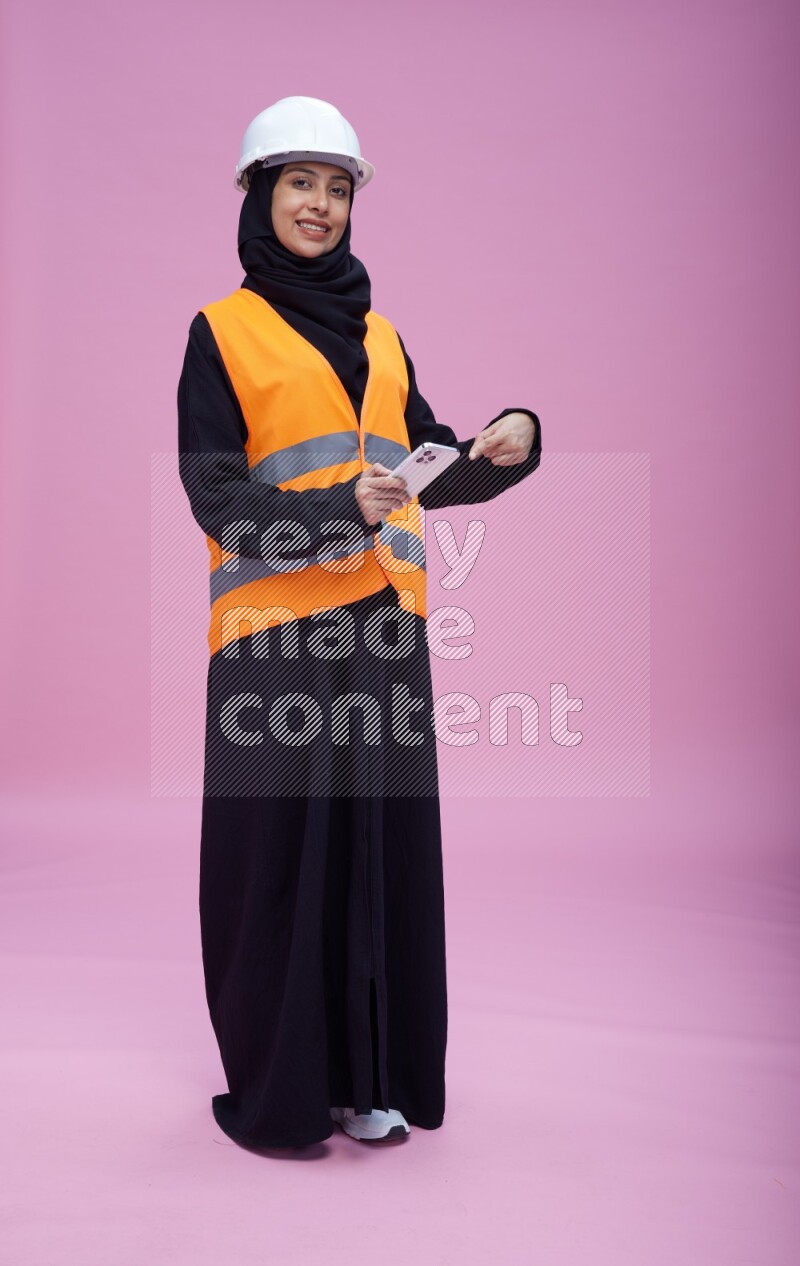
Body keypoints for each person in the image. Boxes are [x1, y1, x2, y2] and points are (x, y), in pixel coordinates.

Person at [177, 96, 542, 1148]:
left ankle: (369, 1074)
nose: (321, 205)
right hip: (273, 642)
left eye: (337, 189)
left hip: (382, 629)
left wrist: (500, 446)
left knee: (378, 856)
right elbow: (219, 501)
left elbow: (428, 461)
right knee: (278, 864)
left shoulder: (382, 334)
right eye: (300, 183)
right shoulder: (222, 333)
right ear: (258, 194)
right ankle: (282, 1093)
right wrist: (343, 511)